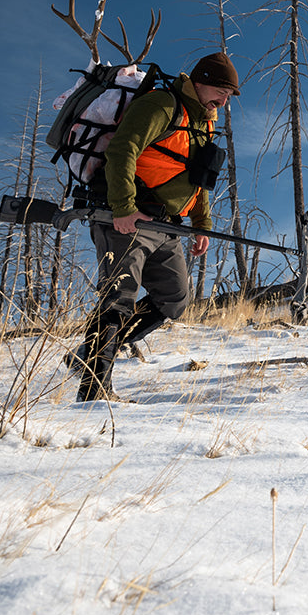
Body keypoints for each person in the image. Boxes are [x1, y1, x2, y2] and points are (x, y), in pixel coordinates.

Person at [73, 52, 241, 402]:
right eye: (221, 92)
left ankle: (85, 355)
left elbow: (199, 181)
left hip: (167, 226)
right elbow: (122, 151)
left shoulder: (203, 123)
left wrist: (202, 225)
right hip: (127, 216)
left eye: (228, 97)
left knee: (176, 298)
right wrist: (123, 208)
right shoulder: (163, 104)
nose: (224, 102)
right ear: (199, 81)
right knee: (118, 298)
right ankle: (94, 390)